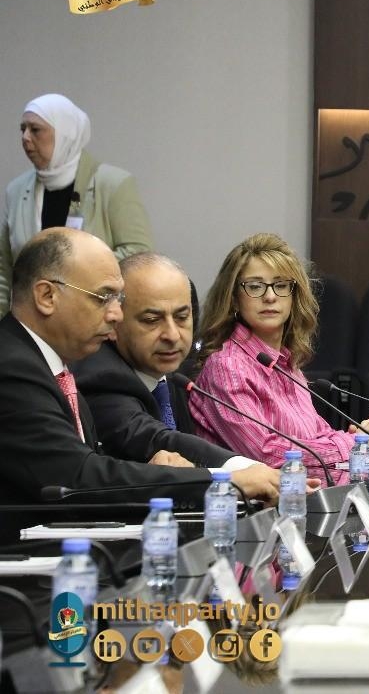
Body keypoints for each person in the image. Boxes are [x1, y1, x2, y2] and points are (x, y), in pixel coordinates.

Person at [0, 229, 278, 543]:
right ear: (47, 296)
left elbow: (89, 469)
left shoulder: (52, 365)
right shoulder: (12, 368)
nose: (116, 314)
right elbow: (78, 478)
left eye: (117, 299)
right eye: (103, 297)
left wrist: (160, 469)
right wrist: (222, 483)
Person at [189, 233, 369, 481]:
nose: (270, 296)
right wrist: (357, 442)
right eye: (255, 286)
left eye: (280, 285)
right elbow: (265, 455)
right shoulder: (227, 366)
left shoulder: (285, 364)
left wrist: (366, 433)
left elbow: (316, 438)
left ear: (293, 295)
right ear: (233, 298)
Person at [74, 252, 276, 473]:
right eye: (152, 320)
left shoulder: (175, 373)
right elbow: (152, 438)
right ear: (114, 322)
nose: (172, 335)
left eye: (181, 317)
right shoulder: (101, 374)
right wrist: (243, 469)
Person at [0, 93, 153, 316]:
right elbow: (5, 268)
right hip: (31, 320)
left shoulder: (113, 184)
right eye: (22, 129)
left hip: (97, 318)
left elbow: (138, 253)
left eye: (35, 129)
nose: (25, 137)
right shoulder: (16, 190)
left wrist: (74, 275)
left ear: (66, 133)